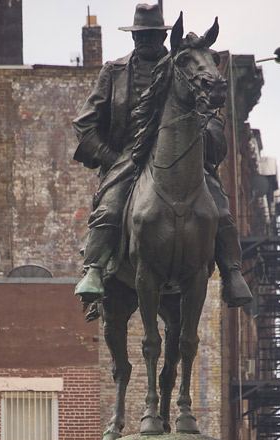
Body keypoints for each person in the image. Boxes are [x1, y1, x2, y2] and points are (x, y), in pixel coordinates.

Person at [73, 3, 252, 308]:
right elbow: (85, 124)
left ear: (163, 37)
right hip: (129, 156)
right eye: (141, 35)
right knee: (111, 207)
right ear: (133, 37)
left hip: (184, 153)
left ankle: (233, 272)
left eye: (154, 35)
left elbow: (207, 109)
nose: (147, 41)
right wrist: (111, 157)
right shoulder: (114, 72)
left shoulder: (183, 68)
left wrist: (207, 132)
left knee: (219, 206)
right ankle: (94, 269)